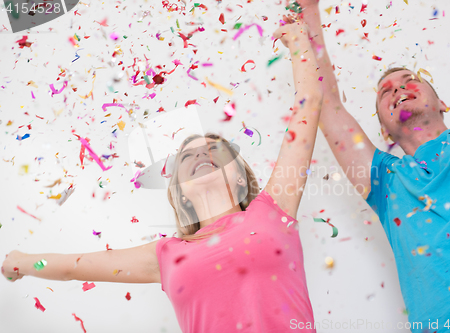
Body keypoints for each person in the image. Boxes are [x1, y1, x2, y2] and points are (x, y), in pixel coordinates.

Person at [1, 19, 323, 332]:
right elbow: (74, 267)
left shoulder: (273, 207)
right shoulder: (167, 255)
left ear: (240, 177)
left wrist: (298, 41)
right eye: (187, 155)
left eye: (215, 149)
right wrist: (22, 261)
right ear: (181, 192)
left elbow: (308, 105)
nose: (201, 153)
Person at [293, 0, 450, 332]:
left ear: (442, 102)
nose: (398, 89)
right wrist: (309, 11)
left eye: (409, 81)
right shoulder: (385, 181)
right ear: (383, 129)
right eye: (385, 92)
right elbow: (327, 104)